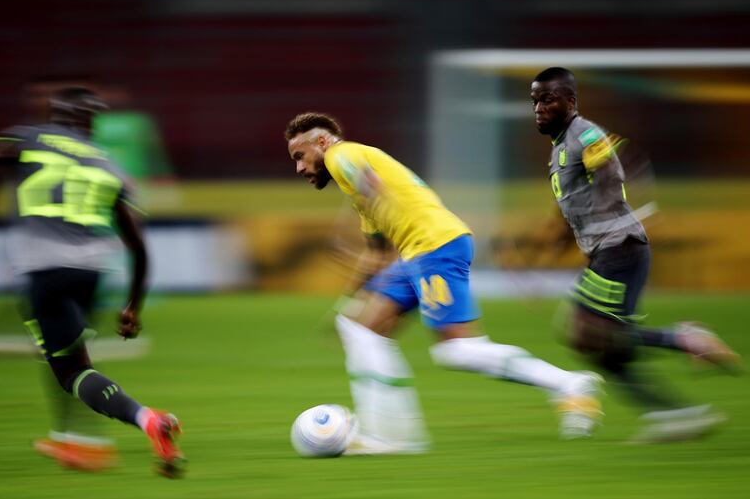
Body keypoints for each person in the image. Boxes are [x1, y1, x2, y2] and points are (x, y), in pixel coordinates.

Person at [285, 112, 603, 452]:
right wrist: (348, 303)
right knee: (359, 329)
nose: (300, 168)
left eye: (300, 157)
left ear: (321, 142)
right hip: (416, 253)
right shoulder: (359, 185)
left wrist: (357, 210)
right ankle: (387, 434)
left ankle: (569, 385)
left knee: (458, 351)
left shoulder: (341, 155)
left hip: (434, 247)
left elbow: (369, 183)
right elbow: (377, 256)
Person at [0, 87, 185, 476]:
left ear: (54, 115)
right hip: (92, 270)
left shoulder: (29, 136)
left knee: (71, 370)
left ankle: (145, 421)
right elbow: (138, 244)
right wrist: (132, 306)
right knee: (74, 360)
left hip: (43, 267)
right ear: (93, 123)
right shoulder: (110, 164)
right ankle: (73, 439)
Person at [530, 67, 741, 442]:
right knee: (602, 349)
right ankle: (674, 414)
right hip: (607, 252)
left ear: (571, 102)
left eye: (548, 99)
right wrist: (546, 251)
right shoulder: (559, 150)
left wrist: (605, 218)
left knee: (587, 332)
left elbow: (611, 172)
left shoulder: (585, 133)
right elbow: (571, 212)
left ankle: (686, 339)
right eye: (535, 101)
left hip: (621, 248)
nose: (539, 108)